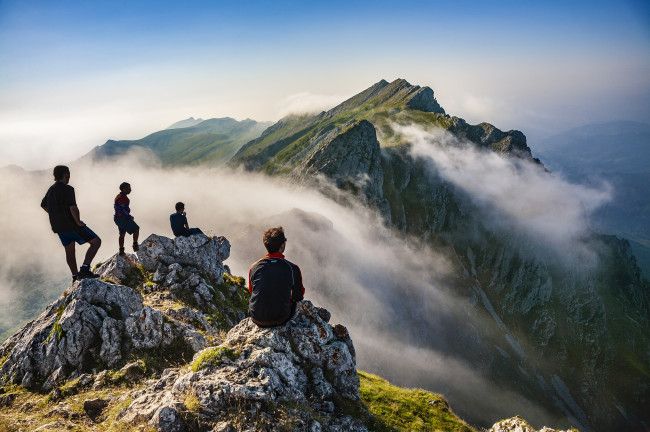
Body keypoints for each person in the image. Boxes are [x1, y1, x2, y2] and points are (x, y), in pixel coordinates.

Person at [41, 165, 102, 282]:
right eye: (68, 174)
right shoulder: (68, 189)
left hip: (58, 226)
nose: (69, 176)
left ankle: (75, 276)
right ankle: (84, 269)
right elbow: (73, 208)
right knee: (96, 242)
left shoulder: (51, 189)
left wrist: (54, 214)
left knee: (69, 249)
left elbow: (43, 205)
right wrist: (78, 222)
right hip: (71, 224)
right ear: (65, 175)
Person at [248, 227, 304, 327]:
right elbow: (298, 297)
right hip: (281, 318)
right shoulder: (292, 268)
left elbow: (252, 291)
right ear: (282, 246)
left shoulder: (254, 266)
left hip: (256, 318)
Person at [114, 182, 140, 256]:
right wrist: (129, 217)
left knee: (122, 234)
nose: (130, 190)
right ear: (124, 189)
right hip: (122, 218)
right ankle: (135, 245)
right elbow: (121, 209)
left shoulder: (119, 196)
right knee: (136, 229)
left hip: (117, 218)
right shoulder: (123, 197)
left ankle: (121, 250)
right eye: (129, 188)